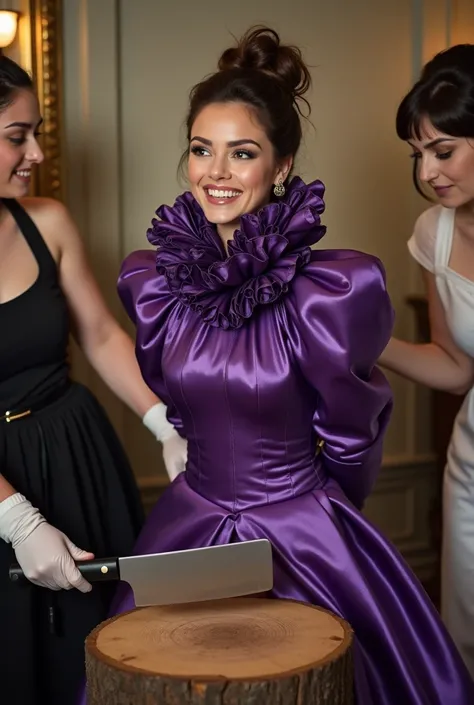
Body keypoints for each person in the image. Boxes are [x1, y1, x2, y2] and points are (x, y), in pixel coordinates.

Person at [80, 28, 474, 705]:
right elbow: (174, 403)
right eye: (202, 150)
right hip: (192, 518)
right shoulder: (152, 283)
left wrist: (316, 516)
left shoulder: (332, 290)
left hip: (305, 527)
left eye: (243, 152)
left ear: (282, 165)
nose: (217, 171)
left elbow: (356, 436)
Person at [0, 56, 187, 705]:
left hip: (74, 455)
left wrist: (163, 419)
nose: (36, 152)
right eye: (16, 136)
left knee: (96, 658)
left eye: (36, 132)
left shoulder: (44, 219)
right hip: (3, 488)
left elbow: (101, 334)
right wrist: (17, 519)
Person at [379, 43, 474, 677]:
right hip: (472, 470)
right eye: (419, 156)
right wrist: (363, 341)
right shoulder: (433, 232)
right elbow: (454, 364)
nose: (429, 172)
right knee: (466, 637)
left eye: (444, 151)